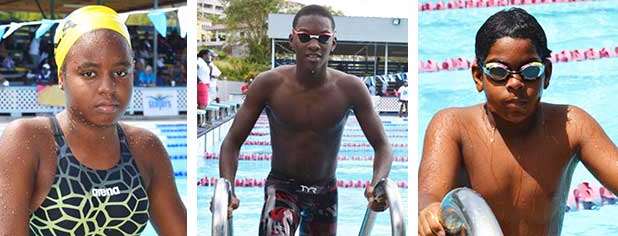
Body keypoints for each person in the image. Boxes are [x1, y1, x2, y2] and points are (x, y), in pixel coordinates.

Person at [417, 8, 618, 236]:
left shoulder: (572, 126)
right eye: (498, 71)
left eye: (530, 70)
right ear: (477, 76)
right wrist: (429, 212)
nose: (515, 83)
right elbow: (428, 194)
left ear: (547, 74)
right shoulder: (453, 126)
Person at [0, 5, 186, 235]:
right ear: (62, 78)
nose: (107, 88)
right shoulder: (29, 141)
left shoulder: (146, 148)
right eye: (89, 73)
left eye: (120, 72)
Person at [216, 5, 392, 235]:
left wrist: (378, 183)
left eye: (324, 38)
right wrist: (227, 188)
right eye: (305, 36)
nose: (314, 44)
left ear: (333, 43)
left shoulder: (351, 89)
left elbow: (383, 145)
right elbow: (232, 142)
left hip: (325, 192)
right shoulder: (269, 84)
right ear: (292, 39)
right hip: (282, 188)